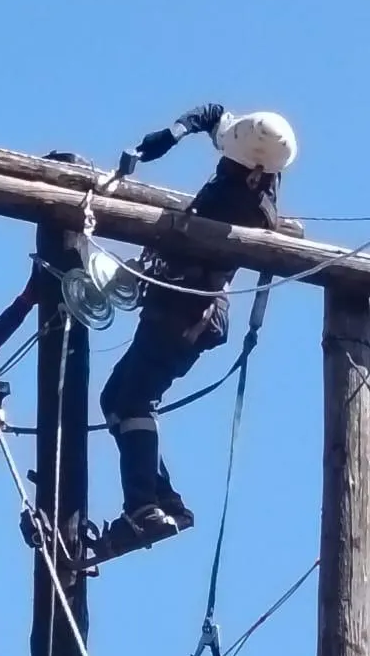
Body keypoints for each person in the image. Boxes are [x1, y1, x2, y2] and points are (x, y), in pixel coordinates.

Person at [99, 105, 297, 555]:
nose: (222, 161)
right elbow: (214, 114)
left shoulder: (243, 207)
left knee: (133, 400)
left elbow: (184, 239)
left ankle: (144, 509)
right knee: (115, 398)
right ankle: (163, 501)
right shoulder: (256, 166)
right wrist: (165, 137)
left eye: (230, 161)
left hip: (187, 312)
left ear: (251, 173)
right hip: (179, 308)